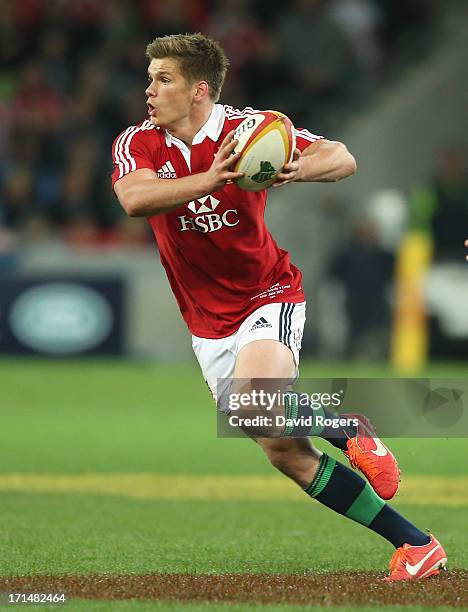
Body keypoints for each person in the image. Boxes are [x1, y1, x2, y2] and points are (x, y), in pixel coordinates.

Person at [111, 32, 447, 581]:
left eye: (162, 78)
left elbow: (342, 157)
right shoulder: (139, 142)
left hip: (267, 293)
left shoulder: (255, 130)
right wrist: (213, 178)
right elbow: (134, 198)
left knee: (253, 404)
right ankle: (416, 545)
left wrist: (298, 168)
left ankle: (347, 427)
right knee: (285, 453)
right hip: (206, 321)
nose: (149, 89)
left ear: (199, 90)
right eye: (150, 78)